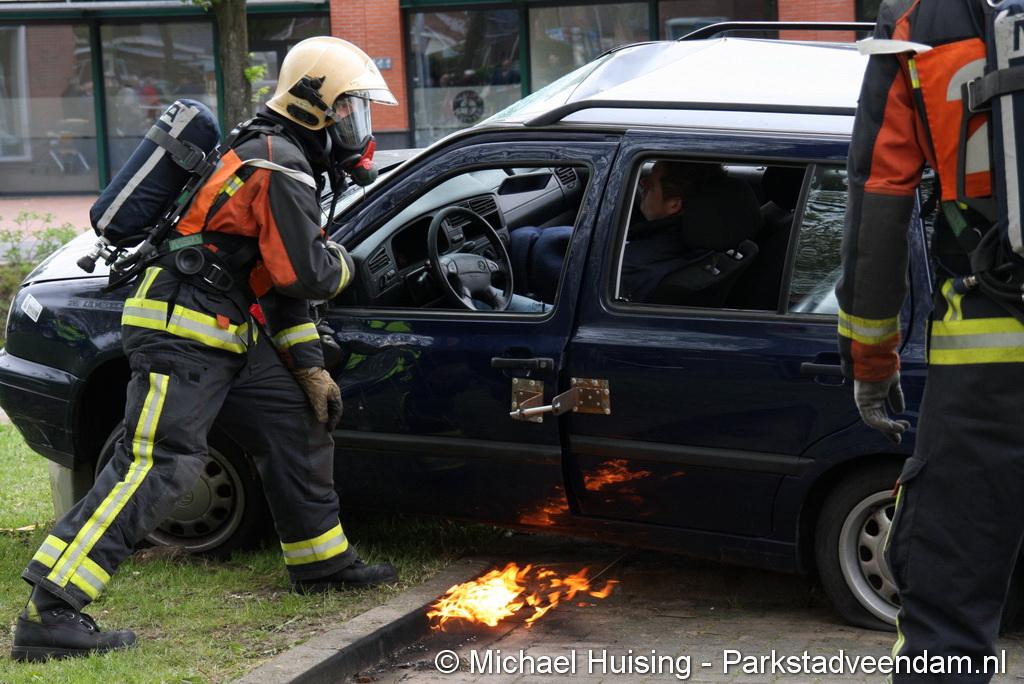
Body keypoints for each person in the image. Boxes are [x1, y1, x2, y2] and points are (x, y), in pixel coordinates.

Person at [11, 36, 400, 663]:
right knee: (159, 463)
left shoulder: (280, 155)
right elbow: (307, 274)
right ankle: (49, 611)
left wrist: (307, 367)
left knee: (295, 423)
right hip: (182, 333)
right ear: (315, 106)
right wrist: (350, 265)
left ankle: (322, 563)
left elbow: (275, 284)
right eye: (349, 110)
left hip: (226, 333)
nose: (357, 127)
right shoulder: (277, 162)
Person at [835, 2, 1010, 681]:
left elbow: (878, 195)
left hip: (988, 371)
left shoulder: (921, 19)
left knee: (945, 627)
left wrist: (870, 360)